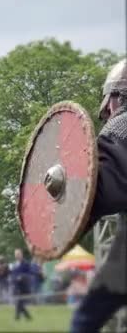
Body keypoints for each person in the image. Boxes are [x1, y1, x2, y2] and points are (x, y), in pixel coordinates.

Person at [69, 58, 127, 333]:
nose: (107, 109)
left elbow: (99, 191)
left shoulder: (122, 128)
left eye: (111, 97)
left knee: (85, 320)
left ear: (120, 96)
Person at [11, 249, 32, 321]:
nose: (17, 255)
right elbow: (13, 274)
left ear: (21, 254)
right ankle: (27, 317)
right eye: (16, 254)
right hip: (16, 286)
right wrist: (13, 279)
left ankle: (17, 317)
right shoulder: (14, 264)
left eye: (18, 254)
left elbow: (29, 274)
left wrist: (21, 277)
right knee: (19, 303)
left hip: (23, 286)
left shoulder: (26, 263)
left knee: (19, 302)